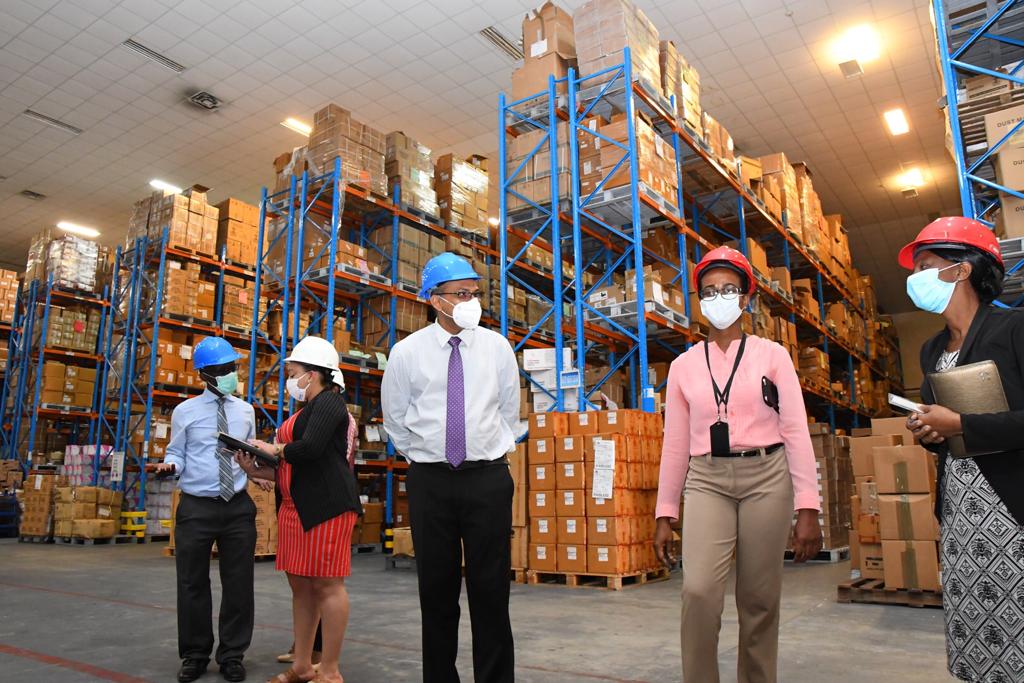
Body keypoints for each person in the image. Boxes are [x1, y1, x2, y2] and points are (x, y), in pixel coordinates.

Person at [653, 246, 823, 683]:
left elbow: (795, 431)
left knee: (759, 597)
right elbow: (675, 443)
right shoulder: (683, 366)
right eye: (709, 291)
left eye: (729, 288)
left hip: (767, 476)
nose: (719, 297)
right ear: (700, 301)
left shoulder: (773, 356)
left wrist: (808, 507)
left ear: (745, 298)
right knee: (699, 590)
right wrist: (665, 512)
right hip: (707, 479)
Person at [381, 252, 521, 683]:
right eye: (461, 293)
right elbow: (395, 421)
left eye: (475, 293)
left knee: (491, 592)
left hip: (488, 479)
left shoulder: (497, 347)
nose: (471, 301)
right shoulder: (406, 353)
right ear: (434, 300)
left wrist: (485, 449)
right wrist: (427, 457)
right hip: (431, 482)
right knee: (437, 593)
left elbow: (509, 415)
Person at [898, 217, 1024, 682]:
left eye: (925, 266)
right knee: (974, 632)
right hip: (961, 516)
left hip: (1011, 514)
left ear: (961, 270)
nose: (915, 280)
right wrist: (932, 432)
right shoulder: (932, 350)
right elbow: (947, 432)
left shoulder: (1015, 329)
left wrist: (962, 423)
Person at [237, 335, 361, 683]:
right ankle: (304, 666)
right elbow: (294, 465)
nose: (290, 380)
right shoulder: (306, 410)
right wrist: (256, 468)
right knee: (301, 588)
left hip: (326, 508)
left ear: (314, 373)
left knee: (327, 586)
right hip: (295, 507)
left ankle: (331, 670)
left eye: (293, 372)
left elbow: (310, 450)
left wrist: (273, 448)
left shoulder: (331, 404)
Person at [153, 336, 257, 683]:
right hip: (196, 507)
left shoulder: (246, 411)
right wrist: (170, 466)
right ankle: (195, 654)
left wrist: (259, 469)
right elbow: (176, 452)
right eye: (222, 370)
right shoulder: (185, 412)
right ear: (205, 375)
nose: (230, 374)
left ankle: (232, 654)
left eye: (232, 368)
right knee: (192, 582)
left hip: (237, 506)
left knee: (239, 583)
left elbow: (249, 454)